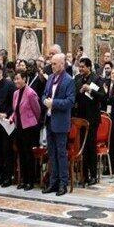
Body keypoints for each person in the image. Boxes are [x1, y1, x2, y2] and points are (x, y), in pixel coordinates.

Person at [42, 53, 75, 196]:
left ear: (62, 64)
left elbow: (70, 101)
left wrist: (53, 103)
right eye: (51, 63)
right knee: (52, 154)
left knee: (61, 154)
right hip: (49, 121)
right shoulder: (50, 78)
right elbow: (44, 94)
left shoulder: (69, 80)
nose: (52, 66)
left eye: (54, 64)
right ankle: (53, 182)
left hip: (61, 122)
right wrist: (45, 100)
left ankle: (63, 183)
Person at [4, 71, 41, 191]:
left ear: (24, 79)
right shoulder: (15, 93)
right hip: (18, 127)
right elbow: (15, 110)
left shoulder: (30, 93)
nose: (16, 81)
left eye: (18, 79)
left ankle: (30, 181)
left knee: (28, 154)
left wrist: (31, 121)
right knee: (21, 154)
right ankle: (23, 180)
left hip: (29, 128)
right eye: (14, 79)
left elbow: (37, 110)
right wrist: (11, 118)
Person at [74, 57, 106, 186]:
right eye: (79, 67)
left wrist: (90, 90)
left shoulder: (96, 79)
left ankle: (93, 175)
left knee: (91, 147)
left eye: (83, 67)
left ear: (89, 67)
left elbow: (103, 96)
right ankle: (84, 175)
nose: (81, 69)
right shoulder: (77, 79)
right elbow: (73, 95)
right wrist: (79, 91)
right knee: (82, 147)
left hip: (92, 118)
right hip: (80, 118)